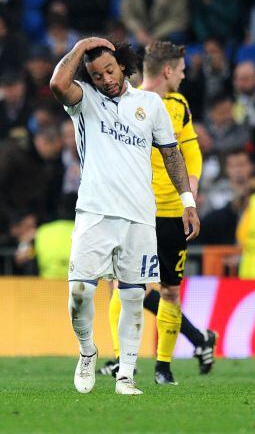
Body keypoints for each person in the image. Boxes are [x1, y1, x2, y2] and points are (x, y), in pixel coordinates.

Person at [49, 37, 200, 395]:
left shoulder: (150, 104)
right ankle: (87, 351)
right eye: (96, 75)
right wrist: (82, 46)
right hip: (95, 213)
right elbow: (57, 83)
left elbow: (172, 154)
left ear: (122, 65)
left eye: (109, 70)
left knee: (133, 297)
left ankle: (126, 377)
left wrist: (187, 201)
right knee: (80, 293)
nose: (105, 80)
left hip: (140, 217)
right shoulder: (85, 101)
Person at [101, 41, 216, 385]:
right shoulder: (125, 102)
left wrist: (190, 193)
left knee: (169, 291)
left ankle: (163, 368)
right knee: (124, 285)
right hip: (135, 210)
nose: (183, 76)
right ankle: (124, 360)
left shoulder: (179, 105)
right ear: (167, 70)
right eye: (181, 70)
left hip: (170, 212)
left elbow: (191, 151)